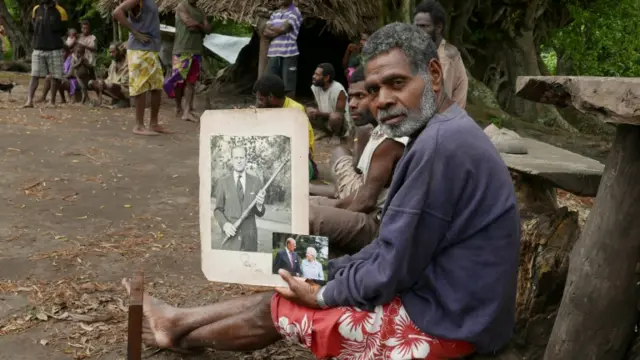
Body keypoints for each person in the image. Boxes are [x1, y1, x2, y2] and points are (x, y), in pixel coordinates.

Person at [120, 23, 520, 359]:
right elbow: (393, 252)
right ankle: (176, 322)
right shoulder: (442, 132)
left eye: (397, 84)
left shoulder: (438, 146)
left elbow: (391, 268)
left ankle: (175, 328)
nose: (383, 101)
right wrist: (321, 275)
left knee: (291, 303)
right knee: (294, 268)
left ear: (434, 75)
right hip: (451, 298)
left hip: (447, 322)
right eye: (376, 88)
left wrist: (325, 293)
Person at [309, 67, 408, 256]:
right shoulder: (379, 130)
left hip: (378, 225)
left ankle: (305, 272)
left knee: (309, 217)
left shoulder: (390, 142)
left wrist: (334, 210)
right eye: (351, 98)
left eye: (360, 97)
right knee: (300, 204)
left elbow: (366, 201)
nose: (352, 104)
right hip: (365, 208)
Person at [112, 0, 169, 136]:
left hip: (151, 49)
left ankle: (154, 124)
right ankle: (139, 125)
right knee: (141, 86)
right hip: (140, 50)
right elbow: (117, 12)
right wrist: (135, 32)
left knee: (156, 86)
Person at [253, 74, 317, 180]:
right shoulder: (267, 108)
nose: (259, 103)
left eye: (261, 99)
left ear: (271, 97)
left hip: (298, 157)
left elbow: (299, 148)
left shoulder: (295, 111)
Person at [414, 0, 468, 109]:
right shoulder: (423, 51)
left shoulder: (445, 58)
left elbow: (438, 104)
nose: (418, 32)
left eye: (424, 26)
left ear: (438, 28)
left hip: (444, 120)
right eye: (416, 26)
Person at [163, 0, 211, 122]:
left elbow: (208, 29)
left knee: (191, 81)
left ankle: (187, 111)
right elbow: (189, 24)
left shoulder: (201, 11)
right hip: (182, 49)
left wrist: (198, 26)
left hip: (196, 50)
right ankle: (179, 107)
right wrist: (201, 26)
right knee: (178, 81)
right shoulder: (182, 6)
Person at [213, 147, 267, 252]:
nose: (239, 160)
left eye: (241, 157)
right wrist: (225, 224)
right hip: (230, 240)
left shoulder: (256, 182)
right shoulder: (223, 182)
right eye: (236, 158)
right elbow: (218, 210)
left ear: (246, 159)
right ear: (232, 160)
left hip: (249, 241)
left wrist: (260, 205)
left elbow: (260, 213)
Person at [24, 0, 68, 108]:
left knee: (55, 76)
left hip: (55, 48)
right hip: (38, 48)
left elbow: (64, 30)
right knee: (34, 75)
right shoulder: (36, 9)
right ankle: (29, 101)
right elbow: (34, 27)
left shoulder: (61, 11)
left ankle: (52, 102)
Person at [263, 0, 302, 98]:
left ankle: (289, 110)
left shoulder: (295, 11)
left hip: (289, 52)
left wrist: (275, 29)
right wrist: (279, 30)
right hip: (273, 53)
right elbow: (265, 31)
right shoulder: (275, 13)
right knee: (268, 82)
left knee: (288, 86)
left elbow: (284, 28)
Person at [307, 63, 352, 145]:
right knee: (308, 111)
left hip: (340, 124)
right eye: (314, 73)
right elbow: (318, 106)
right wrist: (316, 112)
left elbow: (340, 115)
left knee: (335, 117)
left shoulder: (338, 89)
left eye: (317, 75)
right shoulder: (315, 87)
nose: (313, 76)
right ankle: (324, 132)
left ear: (326, 78)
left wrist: (319, 113)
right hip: (326, 119)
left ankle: (336, 135)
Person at [88, 42, 130, 107]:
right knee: (91, 83)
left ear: (120, 51)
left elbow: (125, 83)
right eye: (110, 52)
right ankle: (111, 100)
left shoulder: (129, 62)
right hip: (112, 87)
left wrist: (106, 84)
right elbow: (109, 79)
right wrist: (101, 81)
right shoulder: (113, 63)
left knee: (110, 85)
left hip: (126, 91)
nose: (111, 54)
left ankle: (125, 101)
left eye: (113, 52)